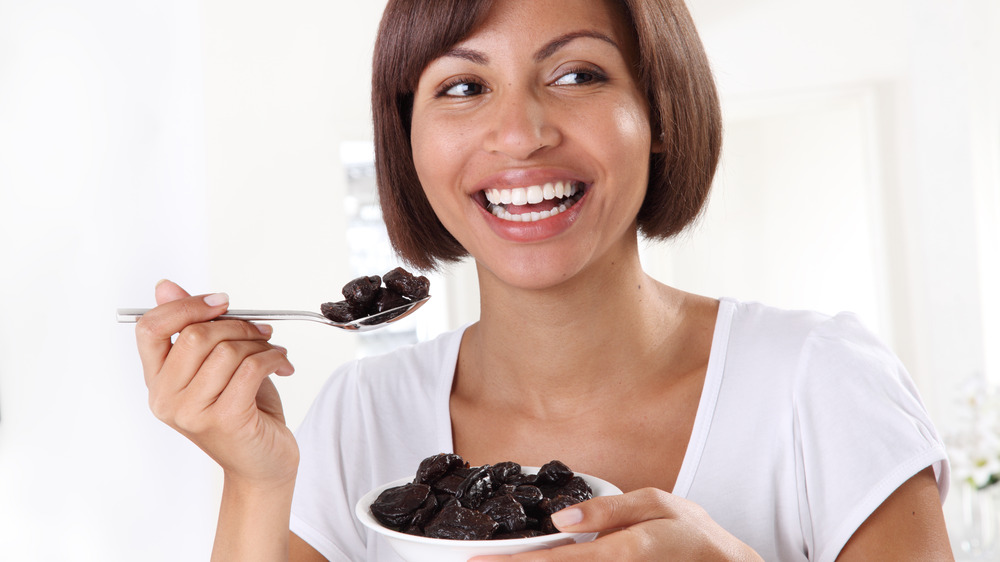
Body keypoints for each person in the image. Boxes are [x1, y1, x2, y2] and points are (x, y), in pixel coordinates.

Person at [134, 0, 955, 560]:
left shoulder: (819, 383)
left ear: (660, 113)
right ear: (408, 139)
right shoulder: (360, 418)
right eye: (462, 86)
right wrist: (255, 478)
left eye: (577, 75)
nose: (520, 134)